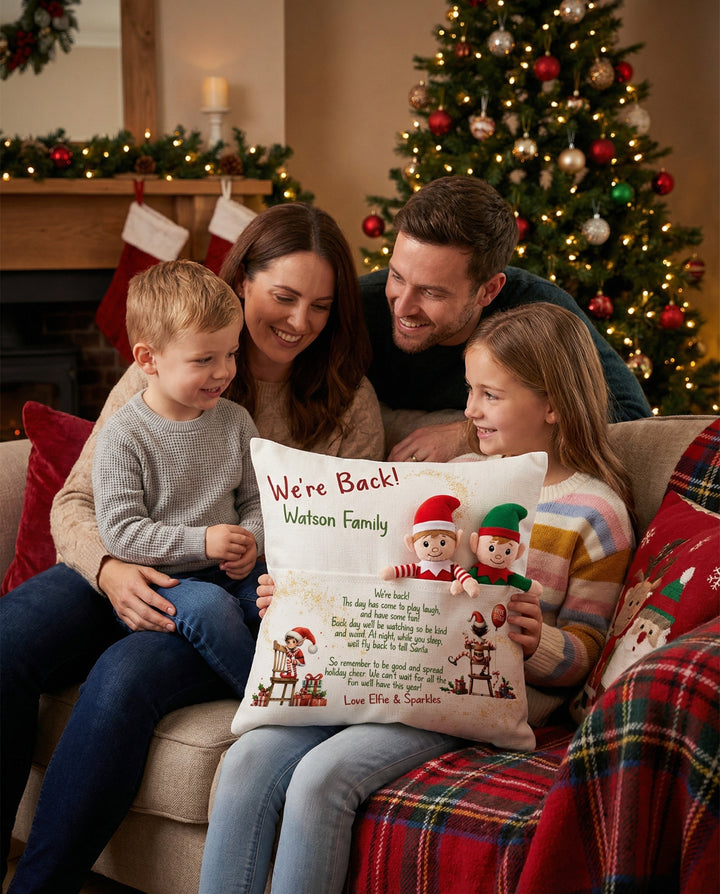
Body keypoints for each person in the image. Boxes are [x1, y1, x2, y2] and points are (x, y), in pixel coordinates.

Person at [0, 203, 384, 893]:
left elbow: (346, 541)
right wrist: (110, 570)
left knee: (124, 676)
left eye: (321, 305)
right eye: (284, 297)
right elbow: (78, 499)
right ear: (242, 284)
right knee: (7, 640)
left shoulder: (348, 405)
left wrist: (260, 561)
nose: (300, 321)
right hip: (126, 562)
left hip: (230, 597)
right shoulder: (167, 366)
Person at [198, 302, 636, 894]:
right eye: (469, 390)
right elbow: (380, 572)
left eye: (490, 395)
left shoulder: (596, 513)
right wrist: (301, 595)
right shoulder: (453, 475)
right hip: (379, 661)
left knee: (323, 777)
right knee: (246, 762)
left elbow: (587, 652)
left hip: (466, 693)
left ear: (553, 403)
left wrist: (539, 642)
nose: (470, 409)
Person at [358, 175, 652, 462]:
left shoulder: (540, 313)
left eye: (431, 292)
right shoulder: (357, 305)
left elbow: (631, 419)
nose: (402, 307)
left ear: (489, 290)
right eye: (397, 276)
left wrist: (466, 436)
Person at [92, 260, 265, 698]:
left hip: (234, 571)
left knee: (286, 597)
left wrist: (250, 540)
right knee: (211, 608)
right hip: (168, 581)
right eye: (204, 359)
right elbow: (120, 532)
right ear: (148, 359)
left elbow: (259, 501)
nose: (224, 371)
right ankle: (264, 699)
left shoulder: (236, 421)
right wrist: (202, 541)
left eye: (231, 354)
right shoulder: (125, 433)